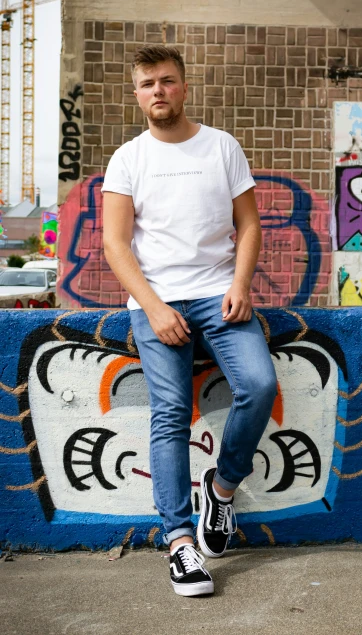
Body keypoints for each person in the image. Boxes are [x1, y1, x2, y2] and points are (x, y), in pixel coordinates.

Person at [102, 44, 277, 597]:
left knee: (259, 384)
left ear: (184, 86)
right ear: (137, 94)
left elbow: (248, 225)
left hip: (219, 296)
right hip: (157, 302)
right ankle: (179, 543)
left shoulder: (221, 146)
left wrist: (241, 284)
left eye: (168, 81)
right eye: (148, 83)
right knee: (171, 412)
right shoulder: (128, 158)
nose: (158, 90)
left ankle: (222, 491)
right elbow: (114, 243)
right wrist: (153, 307)